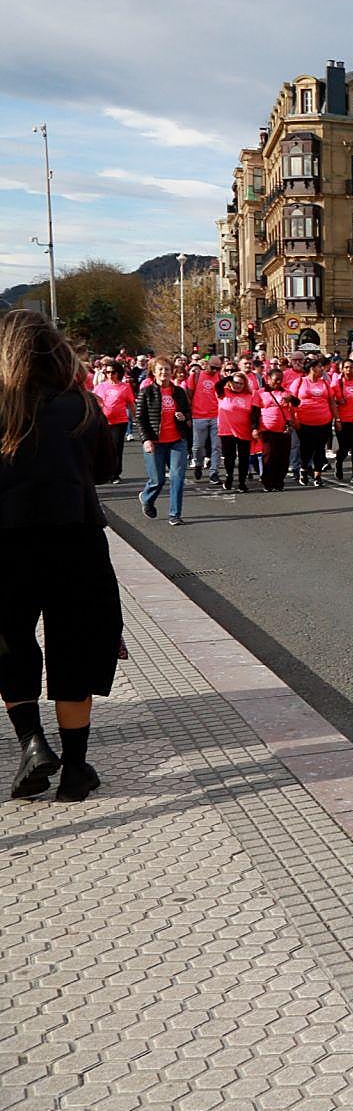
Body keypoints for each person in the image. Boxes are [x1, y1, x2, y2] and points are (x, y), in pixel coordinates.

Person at [0, 311, 122, 803]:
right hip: (77, 541)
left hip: (6, 545)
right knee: (73, 649)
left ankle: (32, 744)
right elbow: (107, 469)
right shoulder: (83, 406)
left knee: (11, 643)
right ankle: (75, 769)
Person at [135, 358, 191, 526]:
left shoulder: (179, 392)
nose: (163, 372)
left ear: (171, 371)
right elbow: (140, 418)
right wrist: (146, 440)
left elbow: (188, 412)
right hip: (156, 441)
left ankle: (175, 514)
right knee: (158, 480)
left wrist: (184, 416)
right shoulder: (146, 392)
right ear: (153, 371)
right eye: (160, 369)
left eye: (166, 369)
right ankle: (147, 497)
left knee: (177, 477)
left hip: (176, 441)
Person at [288, 357, 335, 487]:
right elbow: (291, 402)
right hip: (304, 422)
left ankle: (318, 475)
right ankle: (303, 471)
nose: (322, 369)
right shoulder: (299, 382)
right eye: (320, 367)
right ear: (312, 368)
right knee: (306, 449)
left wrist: (337, 419)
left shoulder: (324, 383)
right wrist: (293, 419)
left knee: (320, 449)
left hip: (323, 421)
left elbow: (331, 401)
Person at [213, 374, 260, 493]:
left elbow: (255, 414)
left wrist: (254, 428)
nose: (237, 386)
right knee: (230, 457)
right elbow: (217, 385)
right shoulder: (223, 393)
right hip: (227, 430)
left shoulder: (250, 395)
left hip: (244, 431)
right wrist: (228, 378)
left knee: (244, 458)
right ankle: (229, 476)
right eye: (235, 383)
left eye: (240, 383)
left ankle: (242, 482)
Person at [91, 361, 133, 483]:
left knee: (116, 448)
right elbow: (94, 402)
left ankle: (115, 474)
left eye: (112, 372)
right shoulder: (100, 386)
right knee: (101, 448)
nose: (110, 375)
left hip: (119, 422)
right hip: (103, 421)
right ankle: (100, 473)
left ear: (118, 373)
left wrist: (136, 419)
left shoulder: (124, 387)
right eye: (107, 372)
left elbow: (131, 404)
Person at [256, 366, 297, 492]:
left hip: (284, 430)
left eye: (280, 380)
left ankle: (279, 482)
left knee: (283, 457)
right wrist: (254, 428)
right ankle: (267, 482)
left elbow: (297, 402)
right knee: (269, 456)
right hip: (267, 429)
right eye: (276, 380)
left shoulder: (286, 392)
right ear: (268, 379)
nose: (278, 382)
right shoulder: (260, 393)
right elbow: (255, 411)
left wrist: (291, 399)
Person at [186, 355, 221, 479]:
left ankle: (214, 472)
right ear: (206, 365)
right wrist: (189, 415)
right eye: (213, 367)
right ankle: (198, 464)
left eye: (218, 368)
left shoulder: (219, 377)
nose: (215, 370)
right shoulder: (195, 376)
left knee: (216, 446)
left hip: (216, 415)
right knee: (198, 445)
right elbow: (189, 396)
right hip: (199, 416)